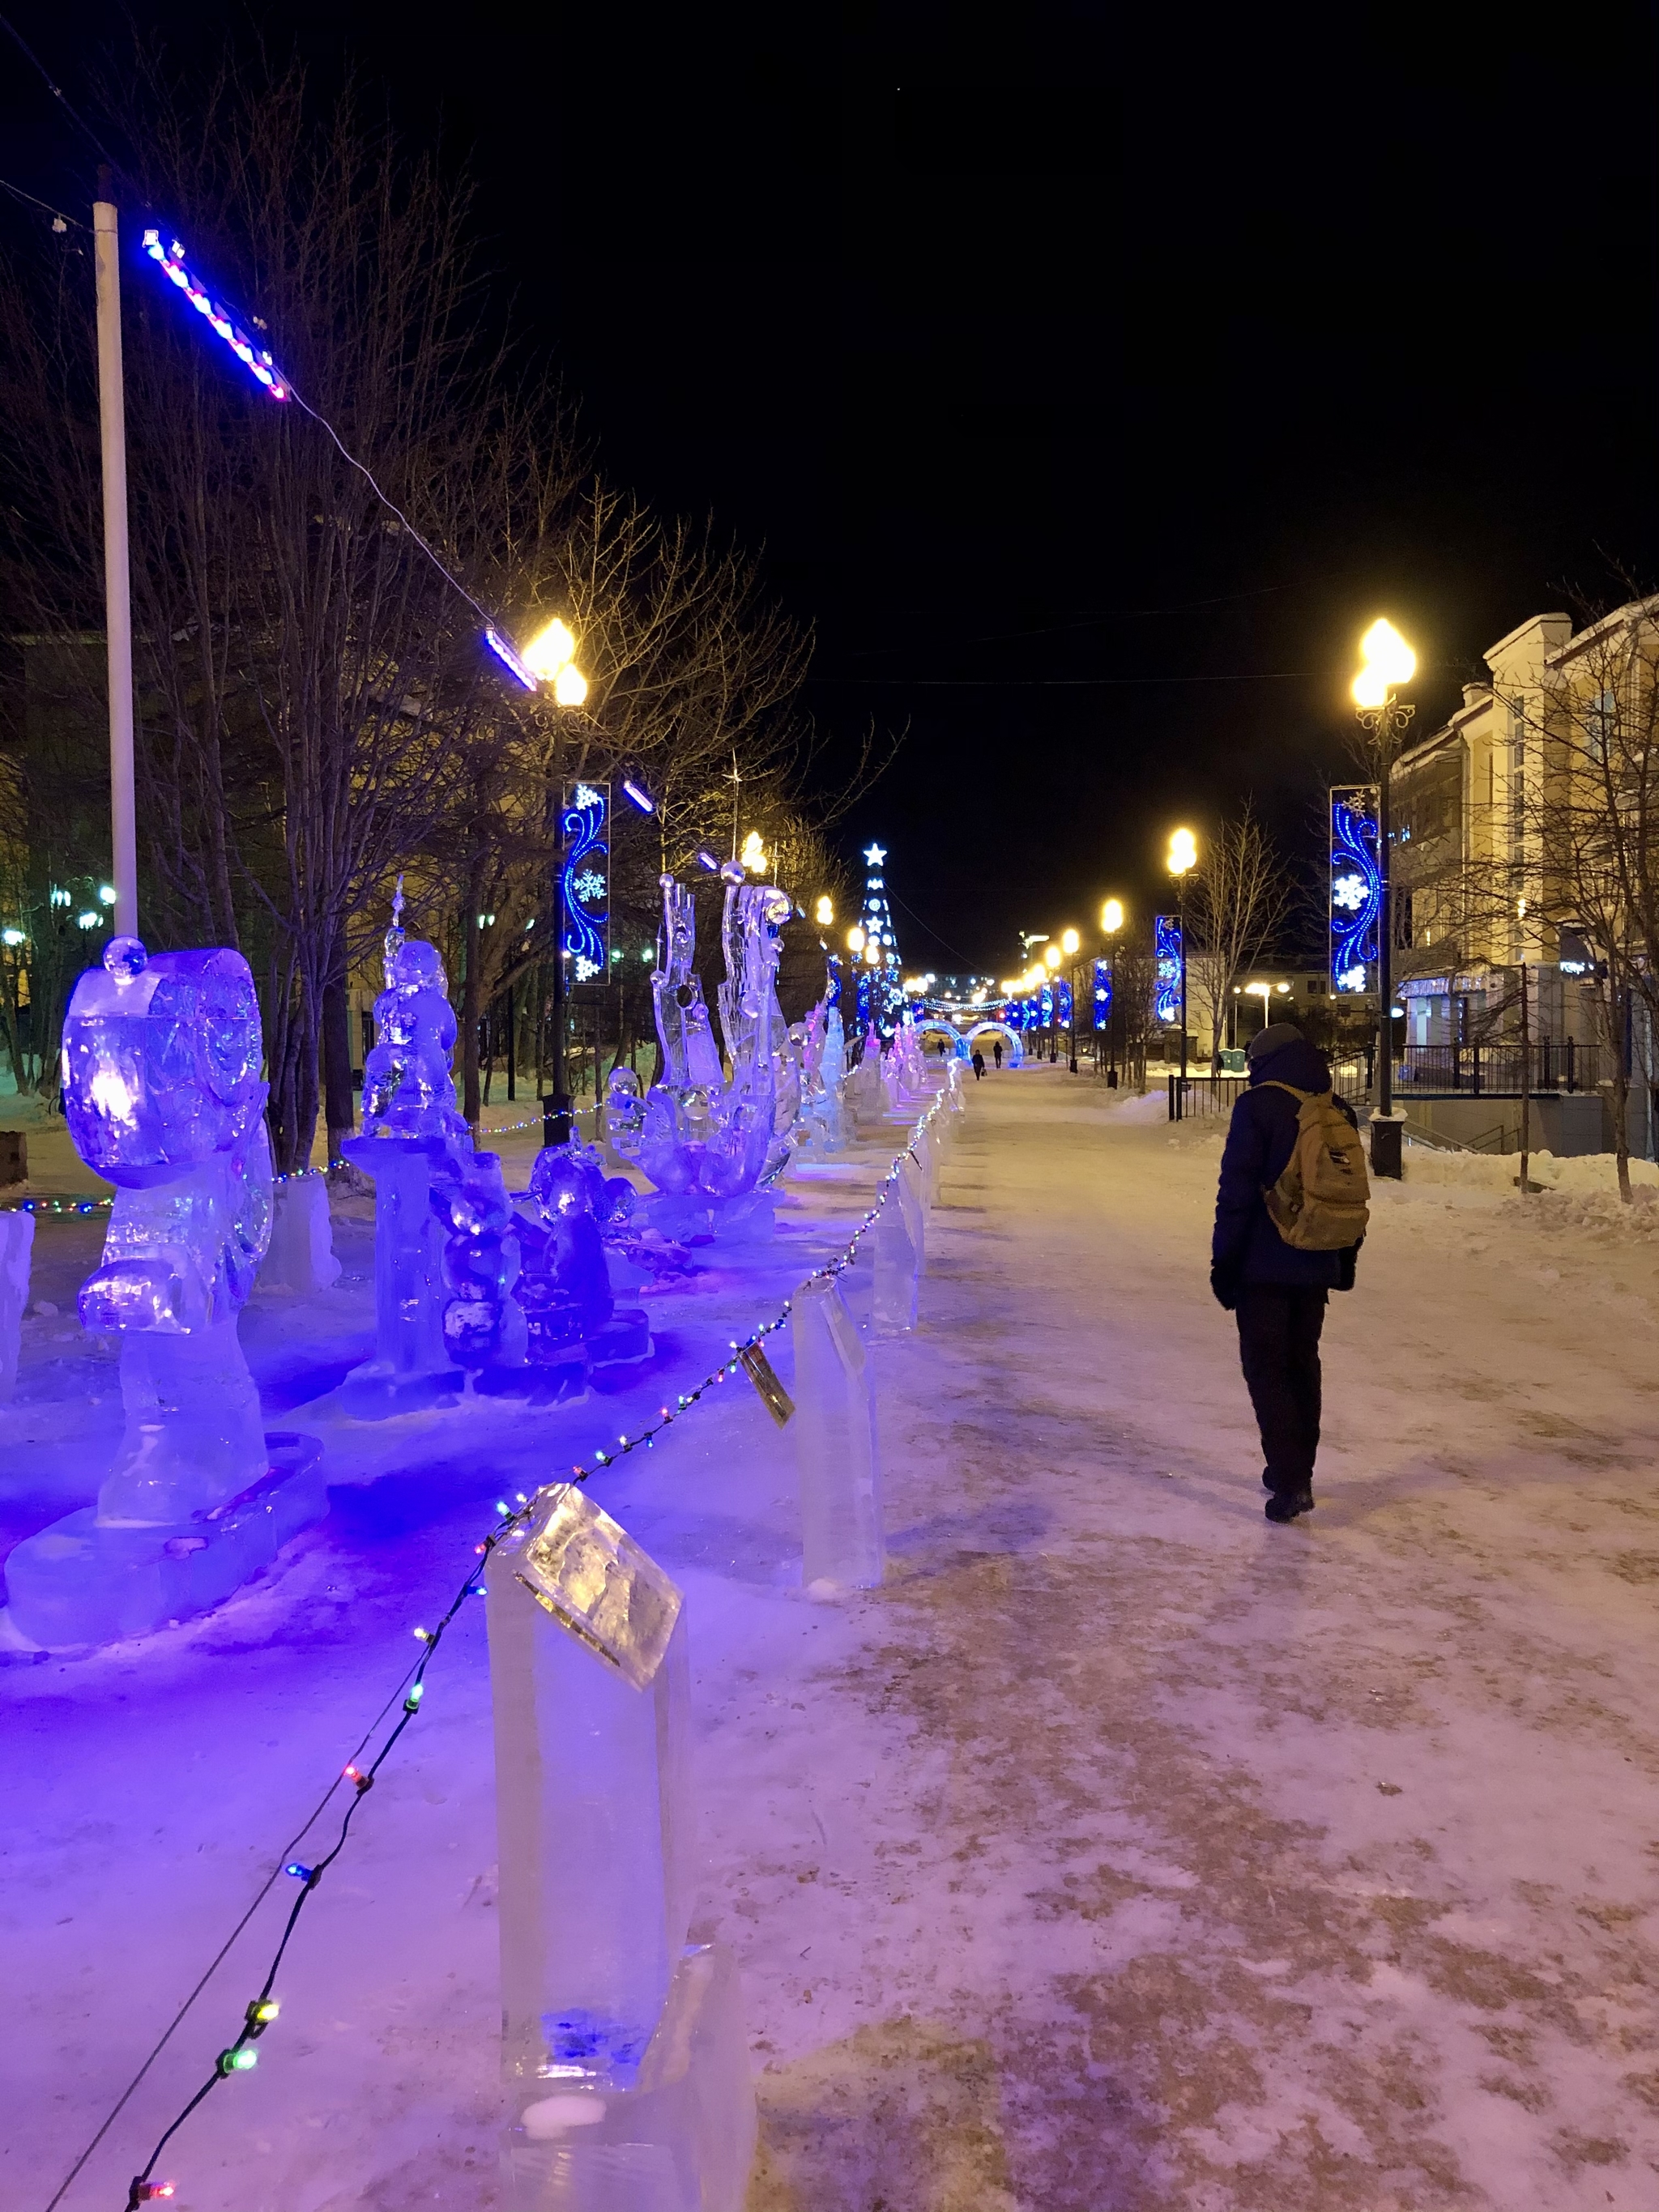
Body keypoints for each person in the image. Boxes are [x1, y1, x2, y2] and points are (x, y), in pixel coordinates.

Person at [1210, 1020, 1362, 1524]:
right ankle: (1298, 1471)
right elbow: (1347, 1193)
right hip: (1316, 1259)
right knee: (1303, 1364)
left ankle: (1290, 1478)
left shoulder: (1259, 1107)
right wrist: (1342, 1261)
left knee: (1267, 1369)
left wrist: (1224, 1263)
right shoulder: (1334, 1107)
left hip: (1262, 1265)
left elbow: (1236, 1193)